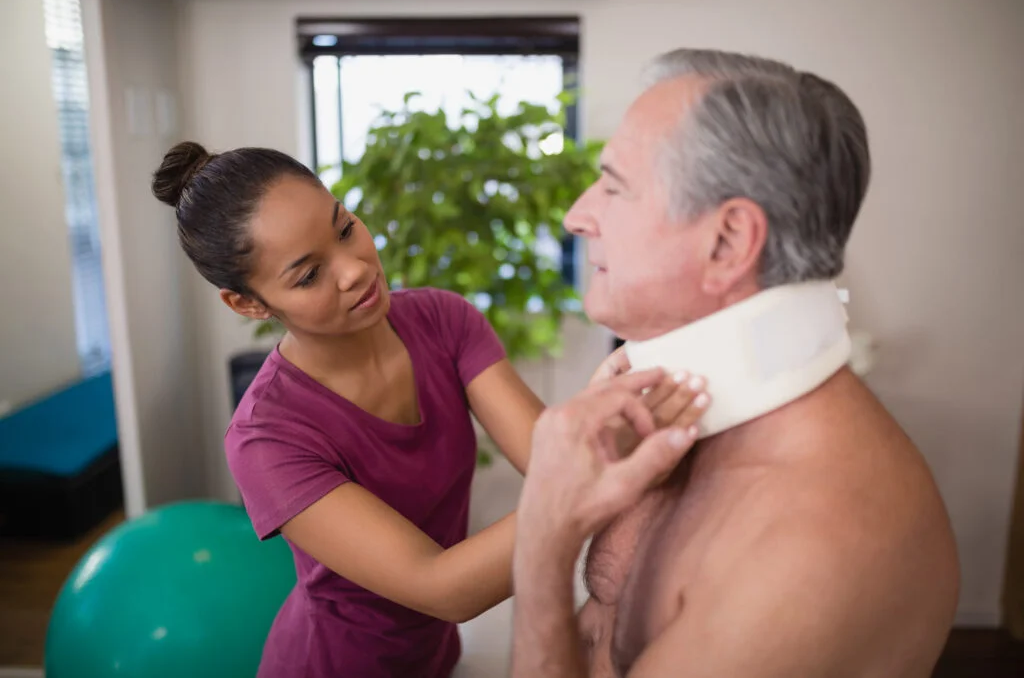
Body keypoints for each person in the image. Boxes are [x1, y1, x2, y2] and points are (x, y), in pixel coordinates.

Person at [151, 141, 707, 677]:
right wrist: (600, 460)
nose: (355, 269)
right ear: (248, 303)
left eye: (345, 228)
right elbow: (442, 586)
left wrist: (600, 428)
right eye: (309, 274)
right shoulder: (267, 437)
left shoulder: (443, 321)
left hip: (435, 657)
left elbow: (547, 459)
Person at [512, 49, 960, 677]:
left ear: (727, 243)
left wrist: (542, 546)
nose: (578, 216)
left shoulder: (806, 548)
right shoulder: (673, 410)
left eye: (614, 186)